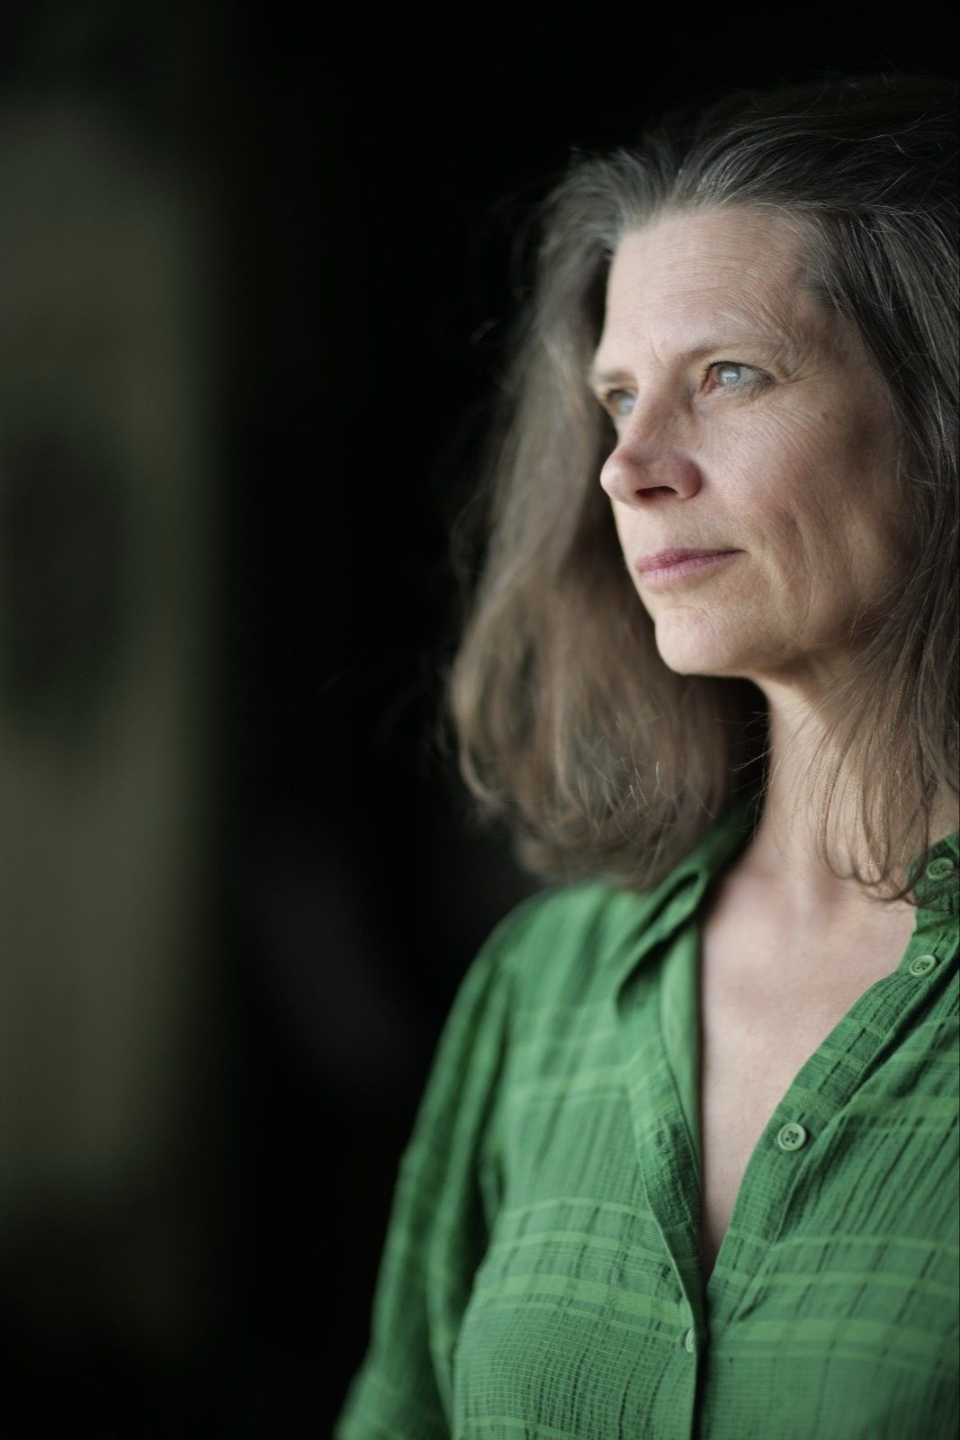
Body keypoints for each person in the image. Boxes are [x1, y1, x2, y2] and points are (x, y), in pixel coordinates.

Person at [333, 71, 959, 1439]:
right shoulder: (544, 985)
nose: (629, 468)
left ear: (937, 412)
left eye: (730, 375)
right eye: (618, 398)